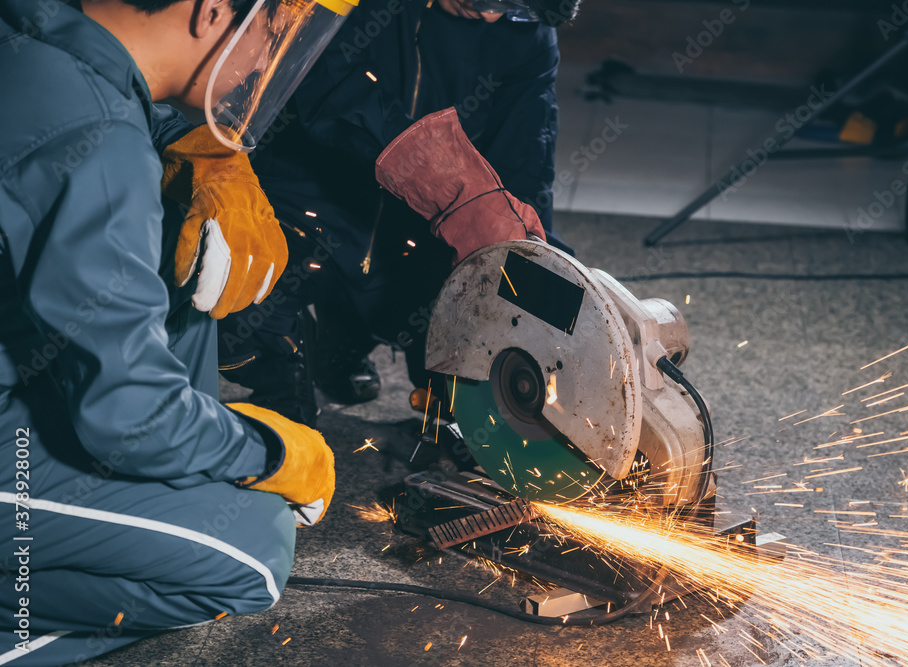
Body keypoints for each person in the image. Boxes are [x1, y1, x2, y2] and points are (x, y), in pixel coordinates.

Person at [0, 0, 352, 662]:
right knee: (254, 549)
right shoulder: (102, 138)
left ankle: (165, 470)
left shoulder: (34, 34)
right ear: (214, 10)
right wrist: (270, 451)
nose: (265, 65)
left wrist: (196, 154)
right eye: (274, 34)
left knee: (181, 267)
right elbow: (127, 414)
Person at [218, 0, 581, 426]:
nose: (490, 17)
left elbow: (525, 168)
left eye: (514, 9)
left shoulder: (529, 36)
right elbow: (333, 91)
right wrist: (455, 187)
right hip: (307, 200)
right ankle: (283, 385)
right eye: (488, 1)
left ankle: (346, 338)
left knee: (473, 336)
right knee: (239, 285)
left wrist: (543, 276)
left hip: (413, 234)